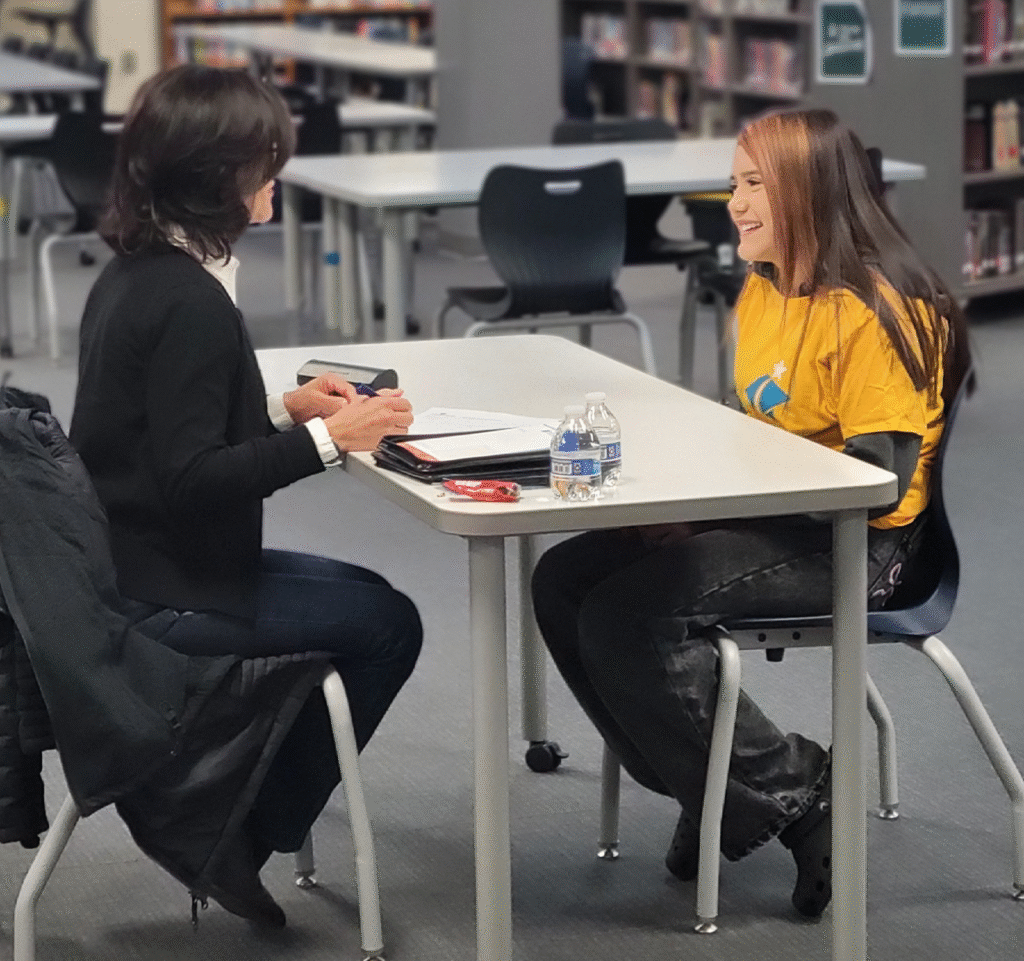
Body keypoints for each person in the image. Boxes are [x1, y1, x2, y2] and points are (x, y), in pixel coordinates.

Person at [531, 108, 971, 919]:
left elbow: (872, 483)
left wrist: (714, 513)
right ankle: (708, 784)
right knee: (564, 578)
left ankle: (795, 791)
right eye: (734, 183)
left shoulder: (877, 308)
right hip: (776, 515)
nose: (733, 203)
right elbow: (749, 429)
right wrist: (691, 509)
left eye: (755, 185)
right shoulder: (765, 289)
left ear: (810, 192)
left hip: (862, 542)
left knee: (632, 613)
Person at [68, 64, 423, 926]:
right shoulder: (191, 301)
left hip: (130, 560)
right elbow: (193, 481)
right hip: (161, 589)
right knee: (389, 625)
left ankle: (222, 806)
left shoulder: (136, 271)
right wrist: (331, 439)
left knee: (371, 597)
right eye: (266, 162)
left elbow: (160, 431)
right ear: (215, 175)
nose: (276, 179)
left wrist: (281, 410)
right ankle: (233, 829)